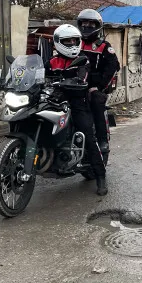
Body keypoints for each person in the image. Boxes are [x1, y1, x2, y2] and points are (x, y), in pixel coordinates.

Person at [47, 24, 108, 195]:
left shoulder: (83, 59)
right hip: (54, 101)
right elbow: (38, 75)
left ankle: (101, 176)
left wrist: (73, 82)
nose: (72, 43)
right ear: (58, 42)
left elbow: (82, 77)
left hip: (77, 102)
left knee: (88, 135)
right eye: (68, 41)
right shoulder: (51, 62)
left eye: (75, 40)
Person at [75, 9, 120, 157]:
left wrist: (98, 86)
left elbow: (113, 67)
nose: (86, 26)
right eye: (84, 23)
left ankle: (102, 140)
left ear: (97, 25)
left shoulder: (103, 46)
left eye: (90, 23)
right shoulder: (74, 43)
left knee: (96, 102)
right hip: (75, 85)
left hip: (94, 86)